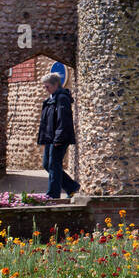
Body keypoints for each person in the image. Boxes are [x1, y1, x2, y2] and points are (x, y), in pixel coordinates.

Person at [37, 72, 80, 200]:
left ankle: (53, 195)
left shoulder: (62, 98)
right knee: (47, 164)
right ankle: (71, 186)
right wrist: (44, 138)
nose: (45, 89)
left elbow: (64, 119)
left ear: (56, 85)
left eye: (47, 86)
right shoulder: (51, 99)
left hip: (59, 138)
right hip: (51, 138)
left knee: (54, 165)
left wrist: (59, 139)